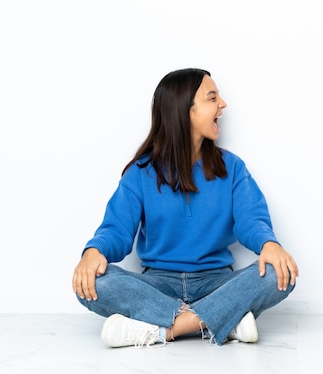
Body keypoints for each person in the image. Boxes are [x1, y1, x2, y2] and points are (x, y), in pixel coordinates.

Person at [71, 68, 298, 348]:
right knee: (95, 283)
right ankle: (222, 320)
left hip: (217, 283)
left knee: (279, 274)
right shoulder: (141, 173)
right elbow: (116, 230)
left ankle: (163, 329)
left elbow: (251, 220)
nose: (222, 105)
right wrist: (94, 251)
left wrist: (268, 244)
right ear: (185, 111)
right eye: (212, 98)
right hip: (158, 284)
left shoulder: (233, 168)